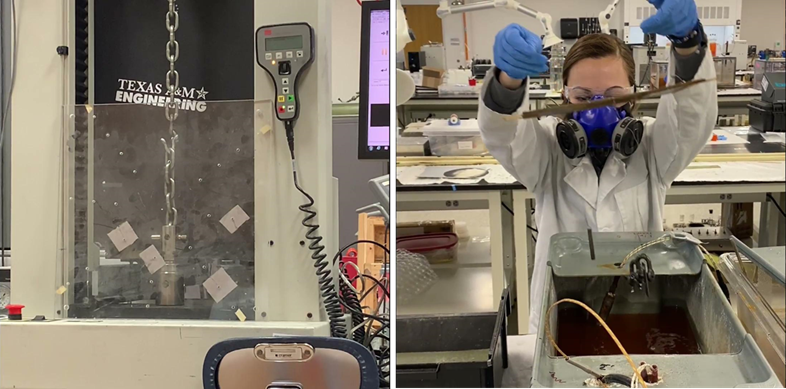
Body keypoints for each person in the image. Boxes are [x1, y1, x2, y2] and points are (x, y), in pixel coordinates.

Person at [478, 0, 717, 333]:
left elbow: (693, 119)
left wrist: (688, 42)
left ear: (633, 95)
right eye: (583, 96)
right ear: (564, 96)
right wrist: (508, 81)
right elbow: (503, 135)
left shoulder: (652, 148)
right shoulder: (546, 151)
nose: (600, 110)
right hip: (562, 319)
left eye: (614, 95)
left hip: (638, 315)